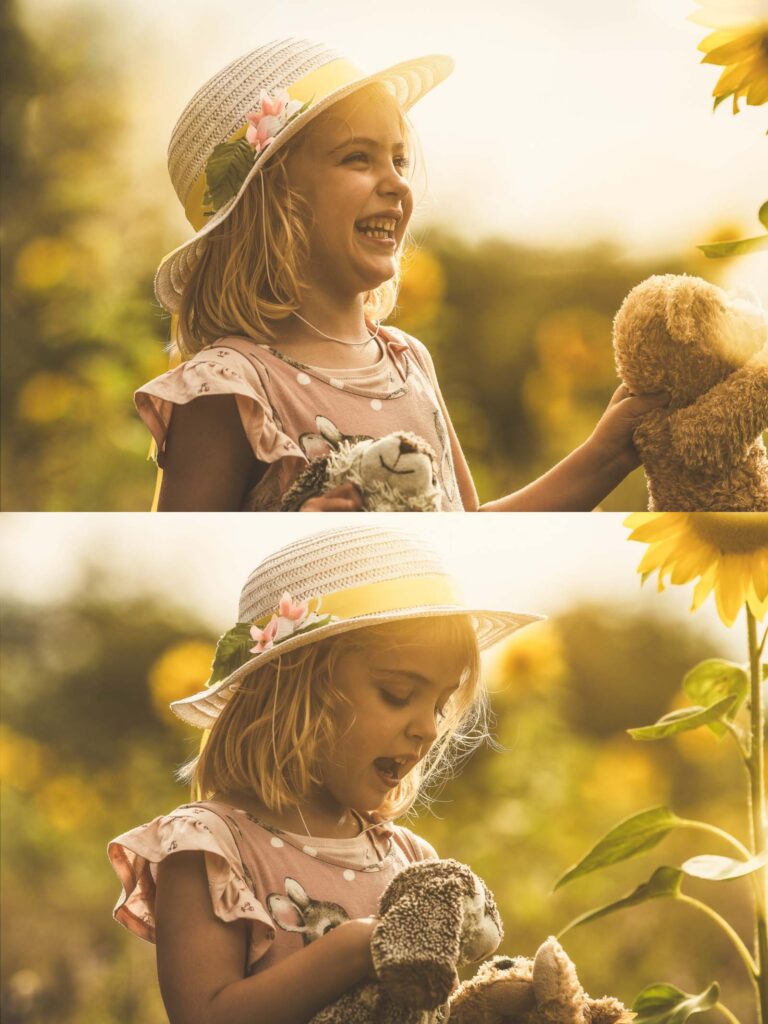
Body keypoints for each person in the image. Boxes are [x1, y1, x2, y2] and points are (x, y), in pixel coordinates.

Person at [138, 39, 667, 511]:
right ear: (271, 205)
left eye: (399, 160)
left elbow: (464, 539)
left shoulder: (408, 361)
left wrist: (608, 454)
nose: (397, 184)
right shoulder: (228, 388)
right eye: (357, 158)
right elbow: (167, 565)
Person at [107, 525, 541, 1024]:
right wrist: (355, 948)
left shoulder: (408, 859)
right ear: (297, 690)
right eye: (398, 694)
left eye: (440, 705)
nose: (426, 727)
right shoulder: (212, 849)